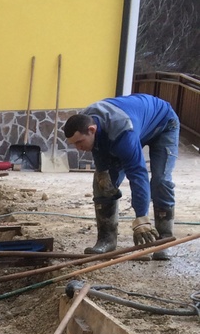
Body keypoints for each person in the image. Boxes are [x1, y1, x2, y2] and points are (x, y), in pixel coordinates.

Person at [63, 93, 179, 259]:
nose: (77, 148)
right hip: (135, 125)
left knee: (161, 180)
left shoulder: (121, 132)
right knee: (102, 183)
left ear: (92, 130)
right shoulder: (86, 120)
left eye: (79, 142)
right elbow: (98, 148)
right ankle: (107, 240)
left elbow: (137, 173)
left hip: (162, 124)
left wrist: (141, 218)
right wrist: (103, 173)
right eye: (73, 143)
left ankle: (164, 240)